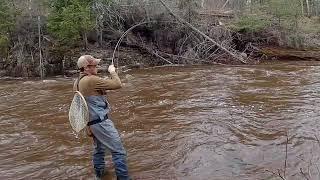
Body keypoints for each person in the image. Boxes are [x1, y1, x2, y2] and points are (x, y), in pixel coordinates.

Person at [73, 55, 131, 180]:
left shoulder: (77, 82)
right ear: (87, 67)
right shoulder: (92, 80)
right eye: (95, 65)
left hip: (91, 124)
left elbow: (80, 107)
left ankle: (100, 175)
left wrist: (87, 126)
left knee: (99, 150)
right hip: (101, 123)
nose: (97, 67)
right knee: (118, 151)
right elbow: (117, 84)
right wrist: (113, 72)